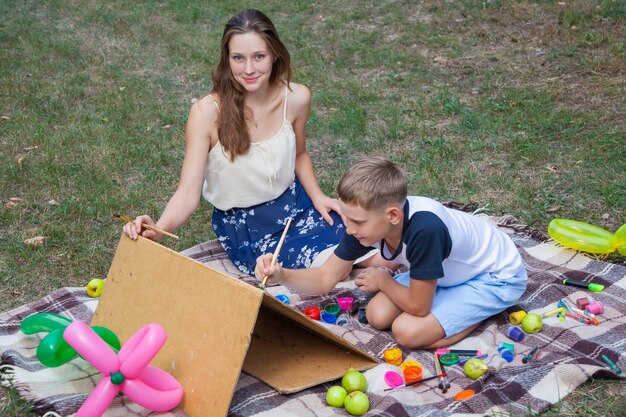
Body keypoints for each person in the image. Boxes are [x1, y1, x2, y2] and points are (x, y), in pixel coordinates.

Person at [123, 9, 357, 274]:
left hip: (297, 207)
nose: (248, 69)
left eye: (259, 57)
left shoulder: (296, 98)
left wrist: (318, 196)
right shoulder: (205, 113)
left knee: (366, 244)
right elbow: (188, 193)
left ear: (274, 55)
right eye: (238, 58)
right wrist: (158, 230)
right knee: (336, 266)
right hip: (249, 230)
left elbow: (300, 155)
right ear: (227, 59)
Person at [255, 156, 528, 349]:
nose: (348, 228)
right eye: (347, 218)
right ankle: (452, 307)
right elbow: (326, 277)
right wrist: (281, 274)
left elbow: (419, 309)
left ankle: (483, 312)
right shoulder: (365, 225)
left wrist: (383, 281)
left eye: (357, 221)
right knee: (377, 315)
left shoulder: (425, 230)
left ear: (393, 215)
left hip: (495, 276)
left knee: (406, 332)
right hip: (449, 274)